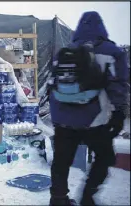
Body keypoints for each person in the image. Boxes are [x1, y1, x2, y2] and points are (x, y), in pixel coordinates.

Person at [47, 11, 129, 205]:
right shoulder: (112, 52)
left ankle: (58, 199)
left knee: (61, 160)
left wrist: (57, 115)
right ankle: (87, 196)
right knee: (104, 157)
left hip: (63, 118)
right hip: (94, 119)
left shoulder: (66, 50)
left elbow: (52, 84)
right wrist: (119, 112)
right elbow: (118, 84)